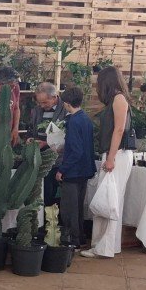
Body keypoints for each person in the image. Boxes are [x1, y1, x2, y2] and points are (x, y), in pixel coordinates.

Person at [80, 66, 134, 259]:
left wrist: (110, 158)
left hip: (116, 154)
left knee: (108, 199)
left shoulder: (118, 99)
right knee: (110, 199)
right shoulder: (117, 99)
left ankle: (103, 247)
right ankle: (107, 245)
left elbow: (119, 130)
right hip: (115, 154)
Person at [55, 86, 96, 248]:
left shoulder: (72, 121)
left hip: (73, 171)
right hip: (85, 170)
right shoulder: (86, 118)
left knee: (69, 209)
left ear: (66, 103)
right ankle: (81, 238)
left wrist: (61, 169)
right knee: (78, 207)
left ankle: (72, 240)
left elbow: (76, 151)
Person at [28, 82, 68, 206]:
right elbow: (31, 129)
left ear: (54, 97)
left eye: (45, 102)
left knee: (52, 194)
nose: (41, 105)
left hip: (58, 159)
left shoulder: (66, 109)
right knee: (41, 193)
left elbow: (68, 137)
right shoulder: (36, 110)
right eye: (39, 102)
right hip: (39, 158)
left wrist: (45, 143)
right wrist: (30, 138)